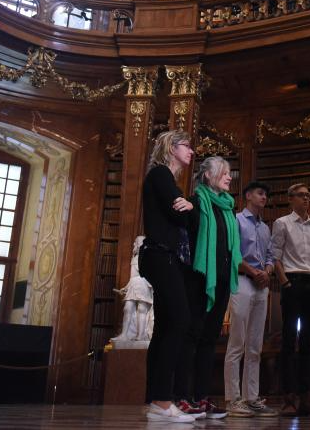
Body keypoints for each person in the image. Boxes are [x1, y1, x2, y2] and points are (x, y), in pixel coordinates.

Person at [175, 156, 241, 421]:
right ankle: (182, 397)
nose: (229, 177)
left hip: (222, 281)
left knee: (210, 339)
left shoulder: (227, 208)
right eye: (223, 172)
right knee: (191, 336)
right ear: (207, 176)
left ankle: (201, 397)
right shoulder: (195, 202)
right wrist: (189, 209)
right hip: (199, 279)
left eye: (229, 172)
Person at [137, 130, 196, 423]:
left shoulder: (169, 181)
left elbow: (183, 215)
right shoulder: (161, 174)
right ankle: (162, 400)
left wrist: (189, 206)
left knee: (163, 327)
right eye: (187, 146)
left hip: (161, 256)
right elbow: (179, 215)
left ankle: (155, 401)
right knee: (180, 320)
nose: (192, 151)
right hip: (161, 256)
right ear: (172, 148)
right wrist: (190, 207)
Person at [271, 183, 310, 417]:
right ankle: (289, 398)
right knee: (288, 341)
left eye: (308, 195)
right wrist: (285, 283)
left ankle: (305, 397)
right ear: (290, 199)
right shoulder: (282, 223)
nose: (306, 199)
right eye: (301, 195)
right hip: (292, 282)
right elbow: (276, 256)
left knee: (307, 342)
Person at [224, 182, 279, 418]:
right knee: (237, 342)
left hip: (261, 285)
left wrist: (267, 271)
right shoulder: (236, 220)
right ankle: (233, 399)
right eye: (260, 193)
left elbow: (271, 256)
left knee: (255, 345)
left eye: (266, 194)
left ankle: (251, 398)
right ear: (248, 196)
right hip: (242, 281)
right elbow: (232, 253)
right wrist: (253, 271)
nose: (264, 197)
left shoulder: (265, 228)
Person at [112, 235, 154, 343]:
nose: (134, 244)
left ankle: (140, 336)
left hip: (144, 284)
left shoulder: (149, 258)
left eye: (136, 242)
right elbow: (133, 276)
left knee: (142, 309)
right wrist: (126, 287)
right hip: (133, 284)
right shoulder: (134, 258)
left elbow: (152, 275)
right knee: (127, 308)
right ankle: (124, 335)